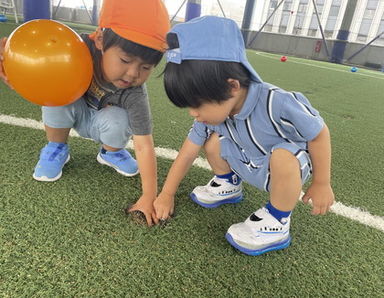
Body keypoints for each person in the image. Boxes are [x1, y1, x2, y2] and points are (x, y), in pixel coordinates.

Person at [153, 16, 334, 255]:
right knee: (212, 140)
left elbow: (319, 133)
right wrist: (166, 194)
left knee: (282, 156)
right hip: (246, 161)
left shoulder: (277, 102)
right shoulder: (213, 115)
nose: (193, 113)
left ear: (232, 86)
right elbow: (187, 153)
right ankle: (228, 184)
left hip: (281, 171)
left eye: (197, 104)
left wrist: (322, 183)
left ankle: (278, 221)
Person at [0, 0, 170, 226]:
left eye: (146, 67)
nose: (133, 73)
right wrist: (15, 65)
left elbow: (144, 143)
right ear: (100, 39)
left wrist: (149, 195)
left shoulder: (135, 93)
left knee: (121, 119)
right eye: (125, 60)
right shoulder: (73, 48)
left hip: (102, 122)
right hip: (72, 111)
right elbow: (35, 62)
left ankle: (110, 152)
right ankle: (57, 147)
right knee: (55, 90)